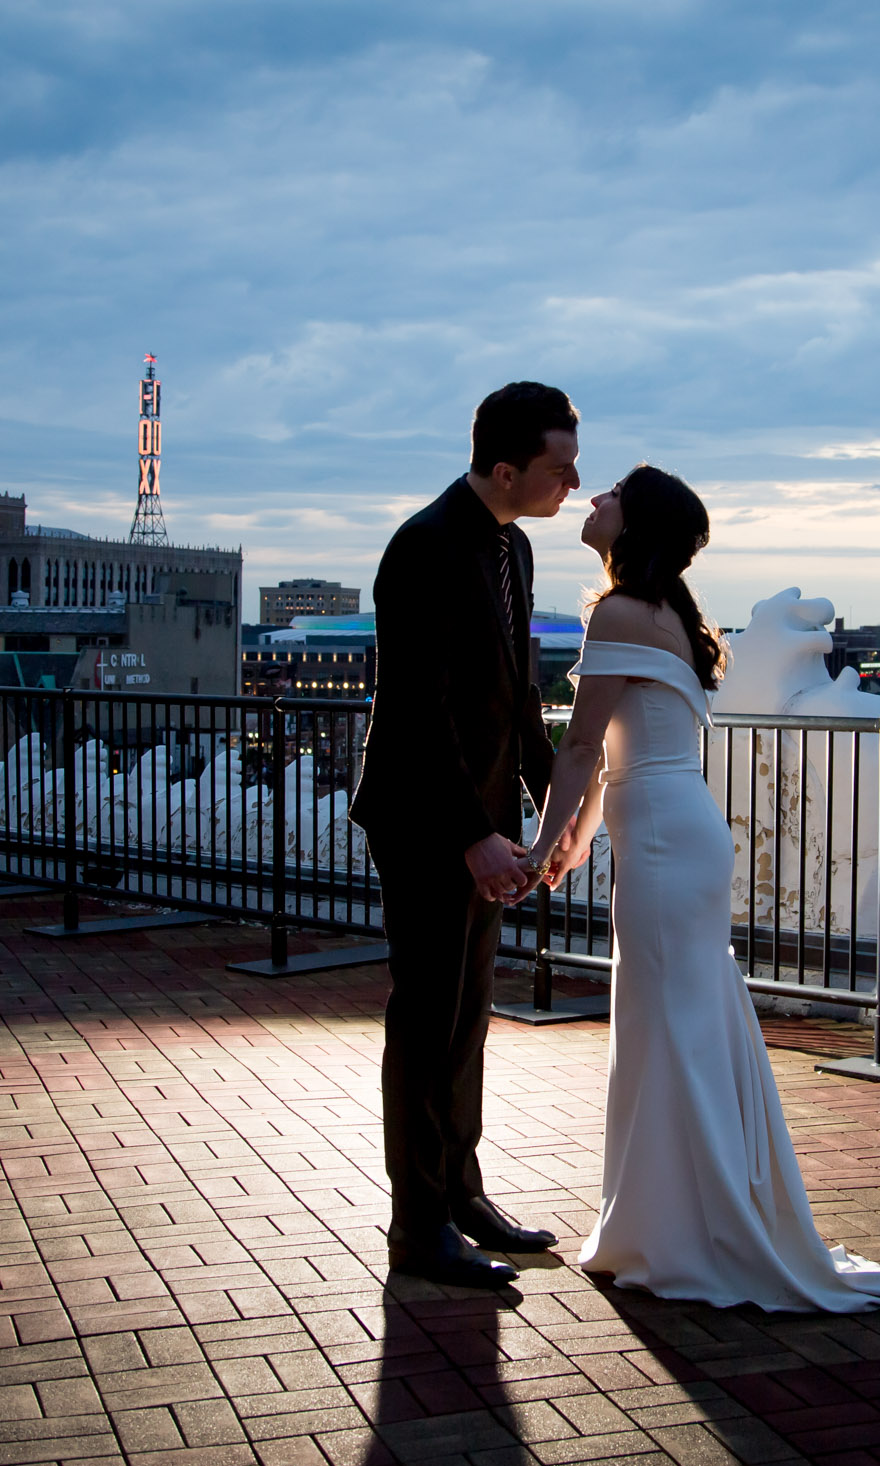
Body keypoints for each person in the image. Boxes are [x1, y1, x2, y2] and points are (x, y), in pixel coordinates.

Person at [522, 464, 880, 1313]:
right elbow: (627, 748)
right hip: (679, 826)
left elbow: (584, 749)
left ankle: (678, 1232)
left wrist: (541, 845)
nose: (594, 502)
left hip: (661, 833)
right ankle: (687, 1218)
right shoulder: (668, 615)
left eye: (611, 496)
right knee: (685, 1017)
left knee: (665, 1022)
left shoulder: (620, 611)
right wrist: (579, 840)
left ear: (635, 527)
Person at [354, 381, 578, 1290]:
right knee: (426, 1017)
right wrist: (472, 834)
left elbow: (518, 694)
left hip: (487, 822)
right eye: (559, 466)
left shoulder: (512, 548)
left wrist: (540, 806)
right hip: (424, 822)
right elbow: (417, 707)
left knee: (469, 1016)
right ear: (504, 467)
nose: (572, 481)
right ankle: (417, 1227)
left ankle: (461, 1194)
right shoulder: (424, 544)